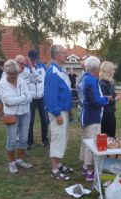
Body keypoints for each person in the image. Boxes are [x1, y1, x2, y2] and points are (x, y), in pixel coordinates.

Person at [78, 56, 111, 181]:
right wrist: (107, 99)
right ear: (96, 68)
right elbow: (96, 101)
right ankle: (90, 170)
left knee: (86, 140)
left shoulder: (84, 77)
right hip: (92, 115)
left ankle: (85, 167)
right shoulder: (92, 80)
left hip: (85, 113)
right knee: (92, 143)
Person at [44, 44, 74, 181]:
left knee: (63, 138)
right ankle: (55, 169)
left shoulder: (60, 70)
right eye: (63, 53)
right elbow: (50, 96)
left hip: (63, 110)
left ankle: (59, 163)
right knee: (57, 137)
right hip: (58, 111)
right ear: (56, 55)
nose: (66, 55)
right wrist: (56, 114)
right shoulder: (52, 72)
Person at [0, 59, 33, 174]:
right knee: (12, 139)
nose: (14, 77)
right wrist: (23, 98)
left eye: (16, 74)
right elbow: (8, 102)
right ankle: (11, 163)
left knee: (23, 138)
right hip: (11, 114)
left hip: (25, 113)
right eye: (12, 75)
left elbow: (30, 97)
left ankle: (20, 160)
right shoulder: (2, 83)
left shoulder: (21, 81)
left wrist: (18, 100)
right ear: (7, 73)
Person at [26, 49, 49, 149]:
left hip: (41, 97)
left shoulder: (42, 66)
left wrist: (34, 75)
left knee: (44, 119)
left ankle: (45, 140)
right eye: (32, 59)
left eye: (35, 58)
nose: (34, 60)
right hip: (31, 98)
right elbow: (27, 80)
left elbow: (42, 79)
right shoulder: (25, 68)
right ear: (29, 59)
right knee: (30, 120)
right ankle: (30, 142)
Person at [99, 61, 121, 138]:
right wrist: (115, 99)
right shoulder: (102, 83)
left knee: (111, 136)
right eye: (113, 70)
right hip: (105, 115)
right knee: (106, 137)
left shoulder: (109, 83)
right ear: (108, 71)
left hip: (111, 113)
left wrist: (116, 95)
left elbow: (110, 96)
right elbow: (104, 100)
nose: (114, 72)